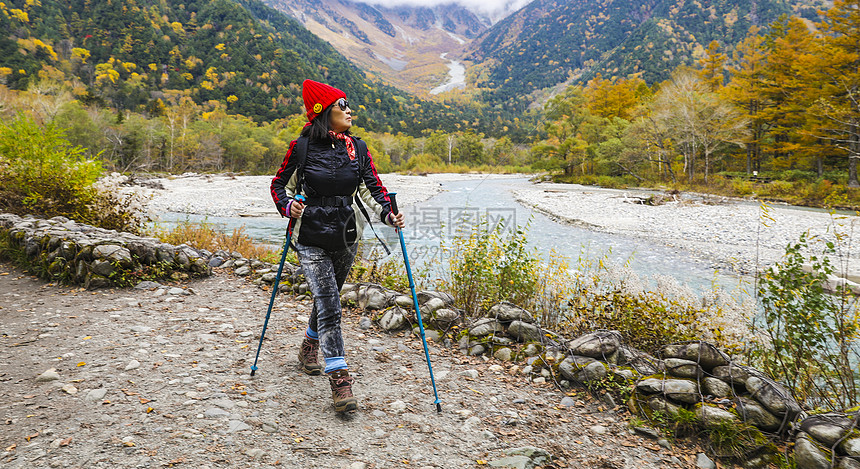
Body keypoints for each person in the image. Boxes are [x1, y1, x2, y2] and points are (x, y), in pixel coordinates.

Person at [270, 79, 405, 413]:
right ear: (323, 111)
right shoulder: (301, 147)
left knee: (326, 298)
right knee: (331, 304)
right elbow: (278, 185)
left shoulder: (356, 148)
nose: (349, 110)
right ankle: (340, 380)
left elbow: (373, 188)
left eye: (347, 105)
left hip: (346, 236)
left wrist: (389, 214)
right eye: (342, 105)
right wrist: (289, 207)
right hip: (310, 237)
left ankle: (308, 348)